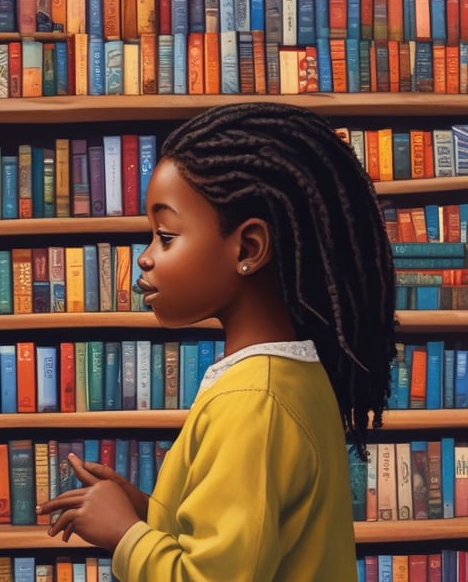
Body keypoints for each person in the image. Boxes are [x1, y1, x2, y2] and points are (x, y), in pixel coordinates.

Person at [36, 102, 397, 581]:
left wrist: (125, 534)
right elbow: (248, 543)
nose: (145, 258)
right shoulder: (283, 379)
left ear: (247, 248)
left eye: (165, 236)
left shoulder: (254, 403)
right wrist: (147, 514)